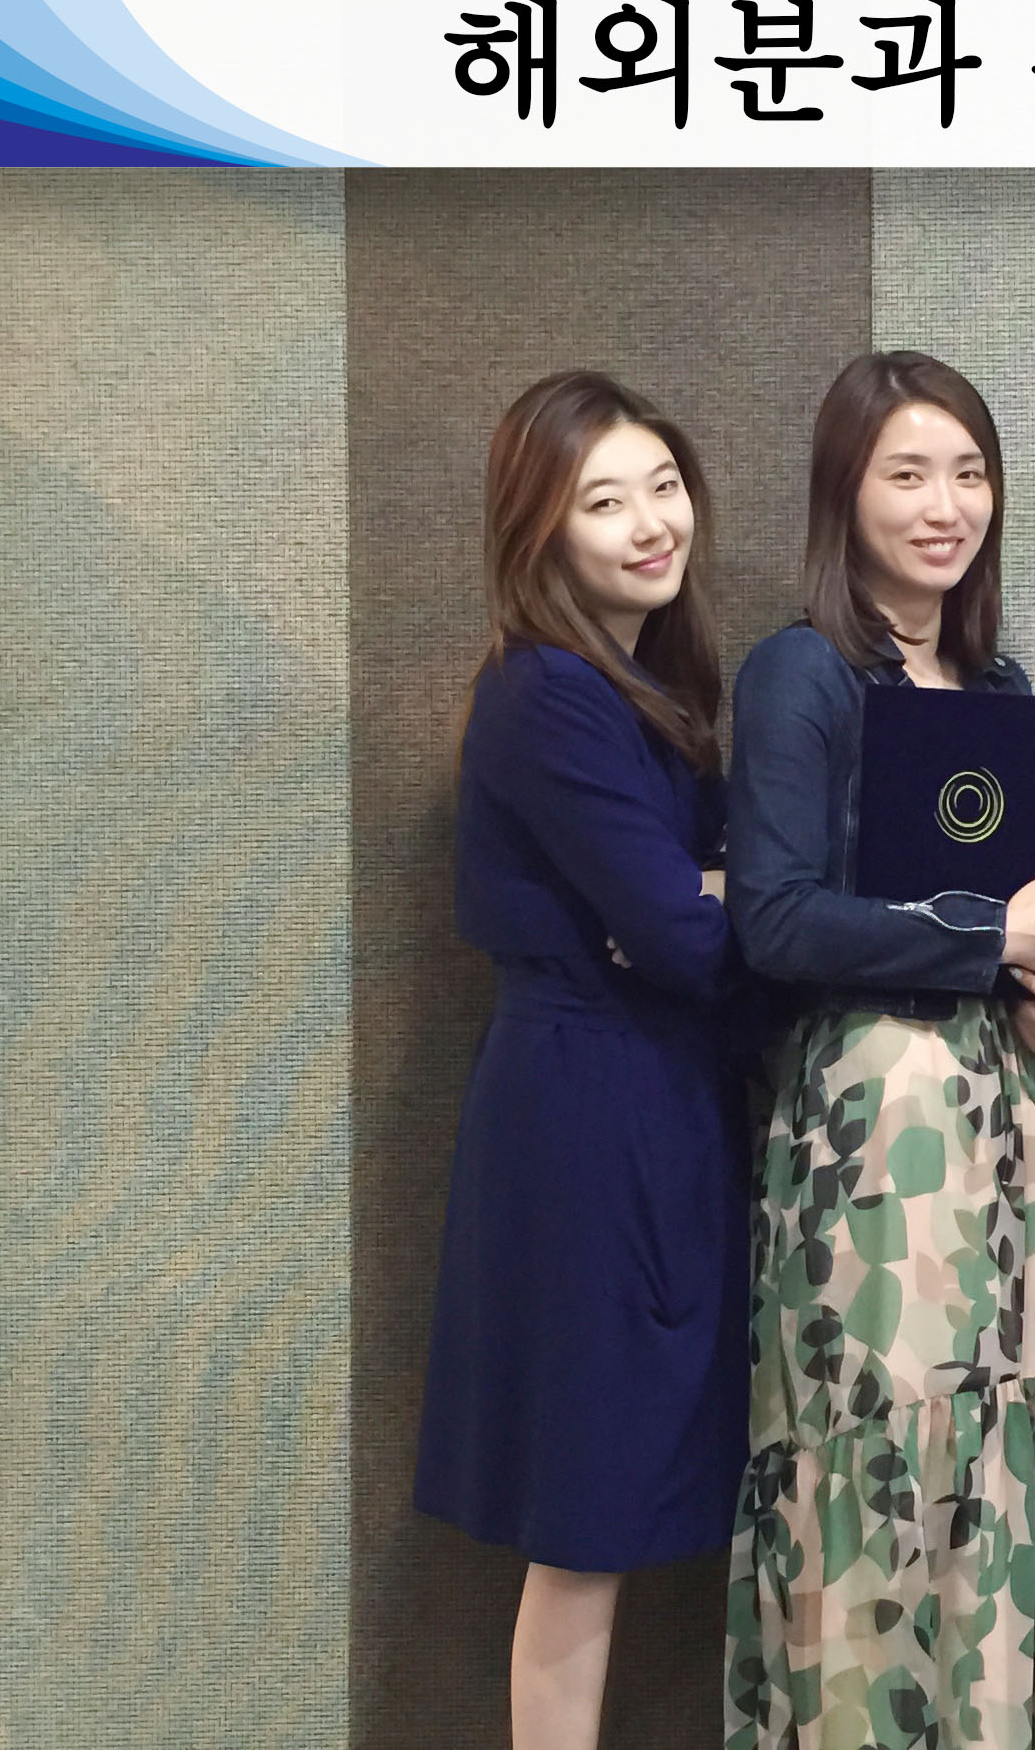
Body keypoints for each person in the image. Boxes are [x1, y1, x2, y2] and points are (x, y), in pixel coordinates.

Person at [720, 351, 1035, 1749]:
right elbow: (774, 919)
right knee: (877, 1458)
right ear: (845, 493)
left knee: (1005, 1456)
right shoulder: (800, 673)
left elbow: (1017, 935)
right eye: (906, 474)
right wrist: (991, 935)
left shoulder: (996, 685)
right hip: (871, 1134)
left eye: (968, 473)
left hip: (1000, 1122)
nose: (944, 505)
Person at [413, 369, 754, 1750]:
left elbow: (694, 912)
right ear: (541, 529)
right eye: (604, 502)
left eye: (663, 487)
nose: (649, 523)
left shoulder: (649, 685)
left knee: (607, 1502)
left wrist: (701, 900)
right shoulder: (549, 692)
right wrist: (698, 904)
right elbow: (684, 936)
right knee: (584, 1516)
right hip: (588, 1115)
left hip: (645, 1098)